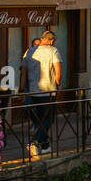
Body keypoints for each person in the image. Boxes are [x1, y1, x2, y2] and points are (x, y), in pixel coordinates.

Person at [24, 31, 61, 159]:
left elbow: (23, 70)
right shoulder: (53, 51)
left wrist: (23, 87)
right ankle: (34, 142)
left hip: (33, 90)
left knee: (40, 119)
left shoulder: (30, 51)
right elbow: (58, 71)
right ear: (51, 41)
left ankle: (45, 146)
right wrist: (58, 84)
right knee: (49, 119)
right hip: (48, 90)